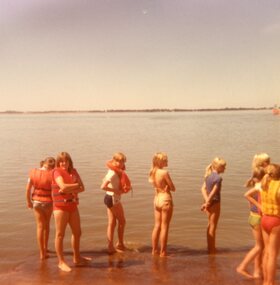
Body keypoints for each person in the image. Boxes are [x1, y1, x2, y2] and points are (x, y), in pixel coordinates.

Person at [52, 152, 90, 272]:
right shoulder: (56, 172)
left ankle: (77, 257)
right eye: (61, 161)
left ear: (69, 162)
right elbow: (62, 187)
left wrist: (72, 187)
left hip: (73, 205)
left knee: (77, 232)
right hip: (60, 207)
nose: (64, 163)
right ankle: (61, 262)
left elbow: (83, 188)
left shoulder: (74, 171)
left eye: (66, 161)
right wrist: (75, 185)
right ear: (58, 162)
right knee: (60, 234)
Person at [236, 167, 266, 279]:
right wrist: (260, 207)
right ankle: (242, 267)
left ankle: (257, 271)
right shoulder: (260, 187)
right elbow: (247, 195)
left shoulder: (256, 186)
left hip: (253, 217)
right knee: (259, 246)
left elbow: (250, 202)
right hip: (257, 218)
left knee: (260, 246)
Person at [25, 156, 56, 260]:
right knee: (46, 226)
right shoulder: (53, 174)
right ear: (52, 166)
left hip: (37, 202)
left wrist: (28, 201)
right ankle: (45, 248)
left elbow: (28, 189)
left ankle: (41, 253)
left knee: (39, 227)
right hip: (48, 202)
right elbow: (55, 191)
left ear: (43, 164)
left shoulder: (33, 172)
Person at [101, 152, 131, 254]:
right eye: (117, 161)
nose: (120, 163)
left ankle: (110, 247)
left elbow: (105, 181)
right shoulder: (113, 173)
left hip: (108, 197)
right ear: (113, 161)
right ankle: (120, 244)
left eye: (122, 161)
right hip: (113, 199)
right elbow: (103, 186)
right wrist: (116, 191)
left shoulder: (112, 171)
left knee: (112, 223)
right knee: (122, 221)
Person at [149, 152, 175, 257]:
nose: (167, 161)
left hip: (156, 199)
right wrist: (169, 187)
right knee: (164, 227)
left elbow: (155, 184)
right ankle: (163, 252)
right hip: (165, 199)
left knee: (157, 226)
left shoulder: (152, 171)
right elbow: (173, 188)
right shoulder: (164, 172)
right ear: (160, 162)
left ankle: (154, 250)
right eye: (165, 160)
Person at [200, 157, 226, 254]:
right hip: (214, 202)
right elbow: (214, 192)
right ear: (219, 167)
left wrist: (206, 201)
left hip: (208, 201)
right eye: (224, 167)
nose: (225, 169)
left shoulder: (208, 176)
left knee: (209, 224)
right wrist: (208, 203)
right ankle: (212, 250)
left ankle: (209, 247)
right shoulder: (218, 178)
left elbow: (202, 189)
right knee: (213, 226)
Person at [260, 164, 280, 285]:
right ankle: (270, 282)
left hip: (265, 219)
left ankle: (266, 281)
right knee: (273, 255)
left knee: (267, 252)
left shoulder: (264, 184)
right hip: (276, 221)